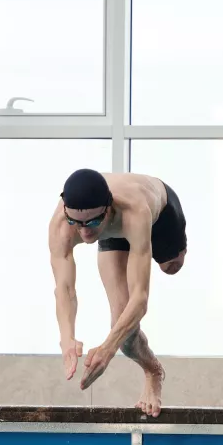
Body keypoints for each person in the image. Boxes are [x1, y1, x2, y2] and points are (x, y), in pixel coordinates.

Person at [49, 169, 187, 417]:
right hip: (111, 229)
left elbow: (140, 299)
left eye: (91, 223)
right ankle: (153, 371)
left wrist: (107, 349)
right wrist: (66, 339)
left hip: (159, 215)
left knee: (171, 267)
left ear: (108, 208)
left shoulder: (135, 210)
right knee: (124, 331)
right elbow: (64, 288)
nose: (84, 233)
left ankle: (162, 250)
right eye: (76, 223)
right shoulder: (62, 224)